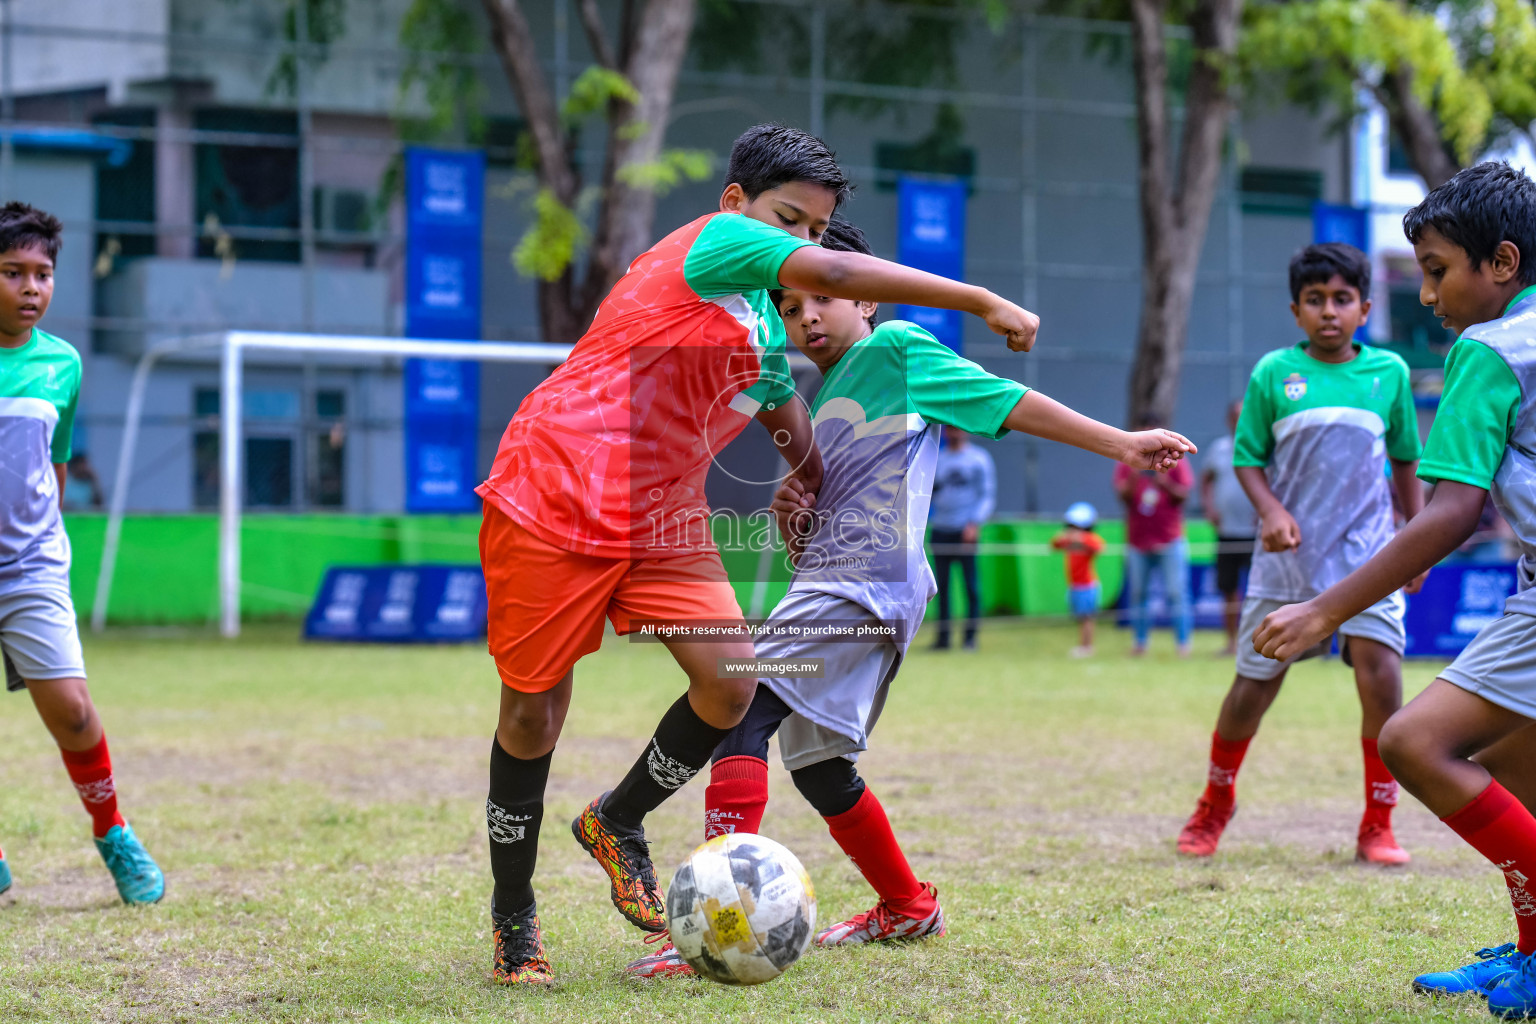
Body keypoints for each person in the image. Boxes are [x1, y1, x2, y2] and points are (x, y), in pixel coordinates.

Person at [472, 125, 1040, 986]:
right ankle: (515, 920)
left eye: (814, 230)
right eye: (788, 220)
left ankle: (615, 821)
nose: (801, 247)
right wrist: (979, 299)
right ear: (738, 203)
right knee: (531, 716)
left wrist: (808, 480)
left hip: (663, 520)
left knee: (732, 681)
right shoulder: (712, 240)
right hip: (555, 493)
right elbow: (839, 276)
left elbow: (785, 421)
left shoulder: (763, 335)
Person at [623, 216, 1193, 978]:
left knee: (742, 703)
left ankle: (716, 926)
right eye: (789, 309)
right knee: (821, 767)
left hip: (862, 586)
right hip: (844, 584)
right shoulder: (821, 398)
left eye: (821, 297)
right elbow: (841, 500)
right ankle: (908, 905)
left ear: (867, 302)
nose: (807, 317)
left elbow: (1005, 399)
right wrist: (797, 513)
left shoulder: (897, 351)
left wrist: (1121, 442)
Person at [1252, 162, 1536, 1014]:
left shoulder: (1491, 349)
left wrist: (1323, 607)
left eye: (1440, 269)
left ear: (1504, 262)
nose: (1426, 292)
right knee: (1513, 760)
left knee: (1413, 741)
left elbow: (1450, 513)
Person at [1175, 241, 1424, 867]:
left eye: (1342, 299)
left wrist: (1416, 540)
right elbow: (1247, 458)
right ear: (1296, 311)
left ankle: (1378, 823)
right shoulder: (1272, 374)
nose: (1329, 312)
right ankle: (1215, 803)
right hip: (1286, 562)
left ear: (1365, 308)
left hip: (1369, 556)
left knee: (1383, 678)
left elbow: (1404, 463)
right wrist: (1272, 512)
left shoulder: (1388, 374)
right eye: (1315, 301)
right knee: (1253, 686)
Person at [0, 202, 163, 904]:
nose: (31, 288)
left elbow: (54, 467)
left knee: (71, 711)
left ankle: (113, 833)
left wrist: (42, 543)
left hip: (30, 568)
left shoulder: (61, 365)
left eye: (43, 274)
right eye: (13, 273)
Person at [1114, 415, 1195, 656]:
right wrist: (1136, 474)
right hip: (1138, 540)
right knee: (1138, 594)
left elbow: (1184, 496)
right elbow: (1122, 497)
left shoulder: (1175, 459)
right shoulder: (1127, 459)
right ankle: (1140, 643)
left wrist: (1163, 483)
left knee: (1176, 593)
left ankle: (1183, 644)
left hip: (1170, 539)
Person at [929, 427, 995, 650]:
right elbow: (927, 492)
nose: (954, 432)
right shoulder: (937, 459)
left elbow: (987, 495)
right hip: (941, 530)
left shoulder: (979, 458)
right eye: (950, 429)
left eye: (958, 428)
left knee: (970, 587)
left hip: (966, 532)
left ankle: (970, 638)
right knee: (941, 588)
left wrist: (974, 523)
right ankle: (943, 639)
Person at [1202, 400, 1257, 654]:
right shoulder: (1219, 449)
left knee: (1259, 593)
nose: (1239, 420)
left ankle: (1256, 643)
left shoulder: (1261, 446)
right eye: (1234, 416)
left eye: (1243, 416)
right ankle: (1231, 643)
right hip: (1227, 533)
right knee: (1228, 590)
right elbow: (1206, 480)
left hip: (1257, 534)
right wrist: (1209, 508)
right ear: (1228, 420)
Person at [1052, 501, 1105, 657]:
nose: (1073, 530)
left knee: (1087, 618)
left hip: (1087, 586)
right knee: (1080, 618)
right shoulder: (1068, 539)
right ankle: (1083, 645)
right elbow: (1055, 543)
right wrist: (1066, 538)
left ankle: (1087, 647)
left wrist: (1081, 539)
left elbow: (1099, 546)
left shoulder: (1089, 539)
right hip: (1074, 585)